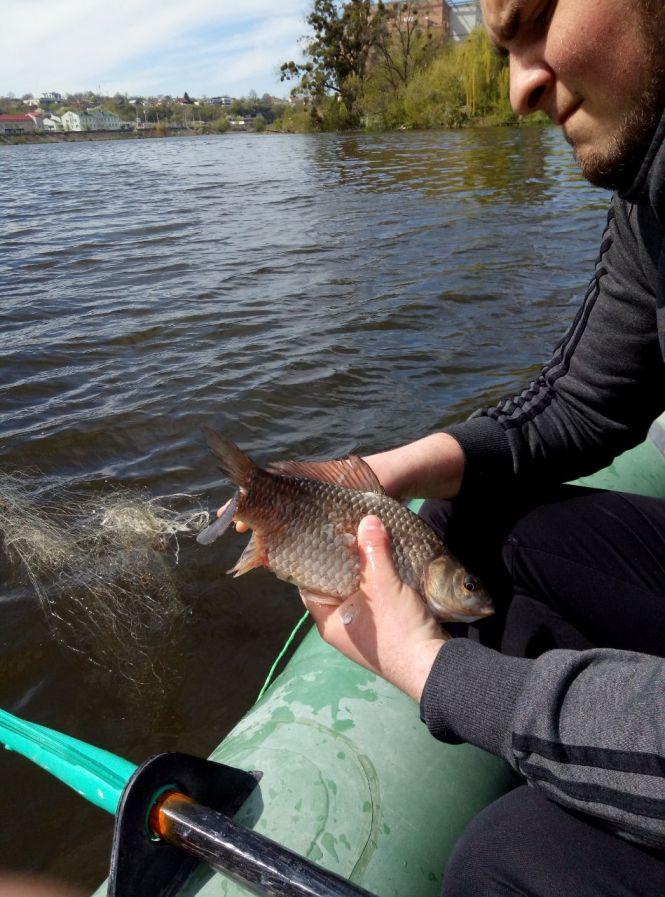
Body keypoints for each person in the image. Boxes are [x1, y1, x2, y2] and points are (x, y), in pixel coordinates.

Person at [230, 1, 665, 894]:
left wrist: (436, 672)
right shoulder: (650, 198)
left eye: (537, 19)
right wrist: (374, 475)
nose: (518, 88)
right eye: (501, 49)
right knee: (481, 518)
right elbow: (579, 400)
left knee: (500, 861)